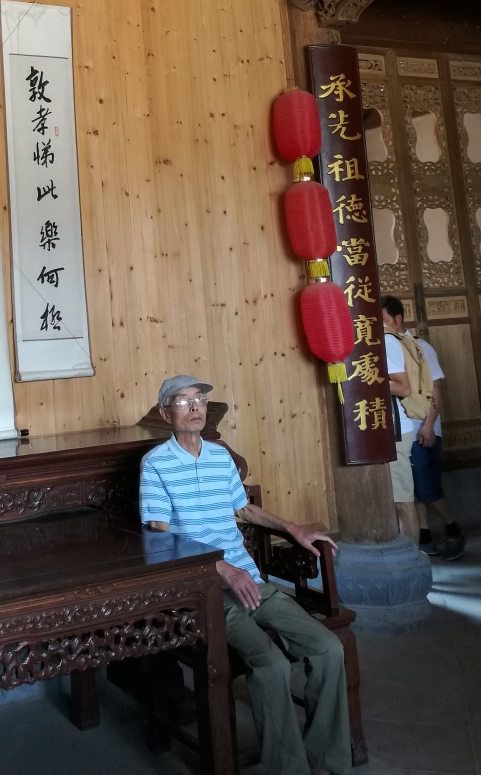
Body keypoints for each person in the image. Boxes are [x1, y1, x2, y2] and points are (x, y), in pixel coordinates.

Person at [140, 375, 350, 775]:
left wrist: (294, 529)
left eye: (200, 399)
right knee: (271, 665)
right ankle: (289, 769)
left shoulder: (220, 456)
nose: (195, 407)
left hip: (250, 580)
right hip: (204, 590)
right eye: (182, 402)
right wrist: (221, 568)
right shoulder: (155, 465)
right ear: (166, 414)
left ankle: (326, 758)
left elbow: (245, 509)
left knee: (328, 648)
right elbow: (159, 538)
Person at [380, 296, 465, 559]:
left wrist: (429, 425)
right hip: (407, 427)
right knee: (414, 489)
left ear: (398, 319)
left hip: (422, 428)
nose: (380, 326)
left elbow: (436, 387)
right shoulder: (390, 344)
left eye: (384, 320)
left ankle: (453, 530)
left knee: (428, 489)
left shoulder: (419, 346)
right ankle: (425, 537)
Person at [379, 297, 420, 544]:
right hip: (386, 429)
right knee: (395, 501)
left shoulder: (386, 341)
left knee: (402, 501)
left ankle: (412, 557)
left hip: (396, 429)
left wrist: (368, 379)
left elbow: (404, 388)